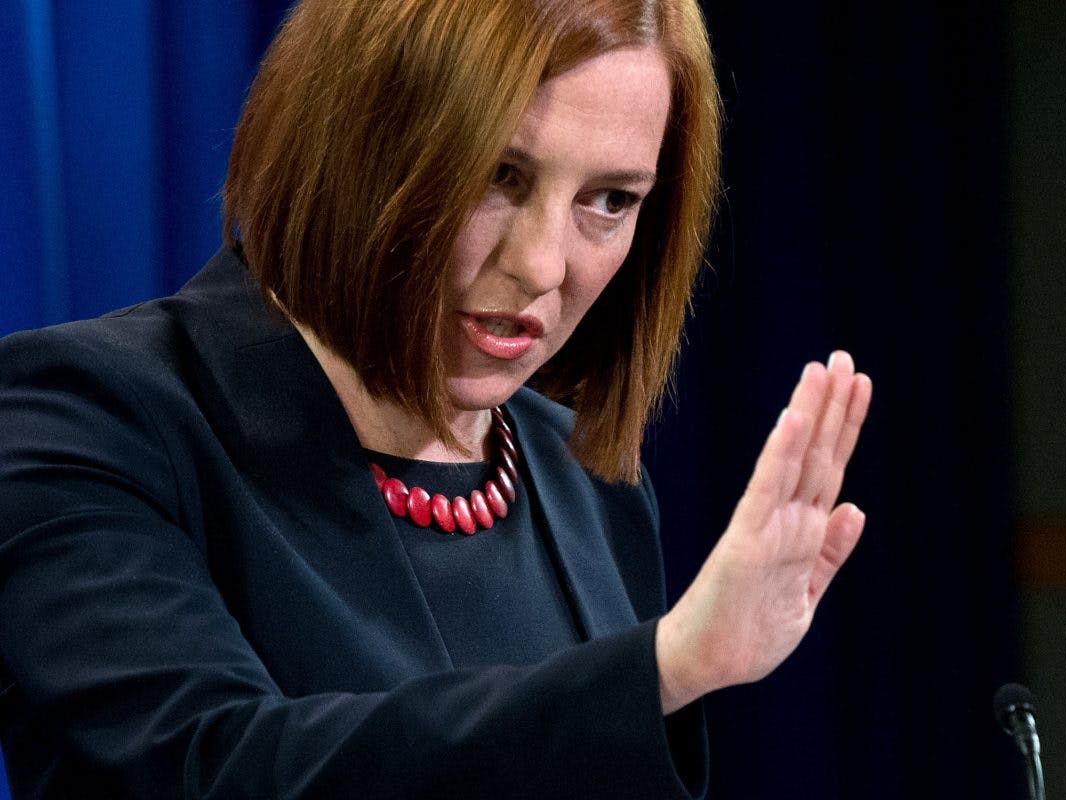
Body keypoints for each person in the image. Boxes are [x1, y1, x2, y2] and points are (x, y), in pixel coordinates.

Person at [0, 0, 872, 797]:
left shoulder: (591, 488)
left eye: (609, 200)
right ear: (351, 138)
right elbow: (218, 768)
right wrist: (665, 670)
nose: (542, 265)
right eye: (499, 175)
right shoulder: (83, 416)